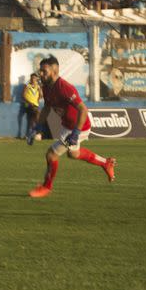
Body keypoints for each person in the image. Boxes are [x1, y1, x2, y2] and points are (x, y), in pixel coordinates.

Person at [25, 55, 116, 198]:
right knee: (73, 154)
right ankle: (106, 163)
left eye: (44, 71)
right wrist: (38, 126)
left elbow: (83, 110)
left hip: (78, 126)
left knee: (51, 154)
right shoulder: (46, 88)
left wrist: (76, 133)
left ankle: (46, 187)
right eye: (40, 71)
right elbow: (47, 108)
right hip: (68, 126)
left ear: (54, 72)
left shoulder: (65, 88)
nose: (40, 74)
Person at [21, 73, 42, 139]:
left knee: (32, 120)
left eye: (35, 78)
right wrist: (29, 102)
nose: (33, 79)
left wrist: (38, 98)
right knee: (37, 114)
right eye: (32, 78)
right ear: (30, 78)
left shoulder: (38, 86)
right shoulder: (27, 85)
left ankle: (29, 135)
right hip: (28, 105)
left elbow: (41, 95)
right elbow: (23, 96)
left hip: (35, 105)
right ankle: (38, 132)